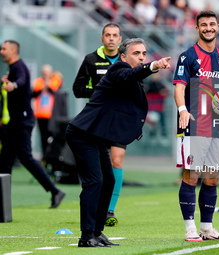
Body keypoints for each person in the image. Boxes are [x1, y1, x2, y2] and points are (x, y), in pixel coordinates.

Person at [66, 38, 171, 247]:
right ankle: (86, 236)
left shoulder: (131, 77)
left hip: (97, 137)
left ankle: (97, 232)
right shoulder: (118, 69)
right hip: (82, 134)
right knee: (94, 182)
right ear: (123, 56)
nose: (141, 57)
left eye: (144, 54)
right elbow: (130, 74)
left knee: (109, 181)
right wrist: (152, 66)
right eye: (136, 53)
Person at [173, 10, 219, 242]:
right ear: (197, 28)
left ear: (218, 27)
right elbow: (179, 87)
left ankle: (207, 228)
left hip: (217, 127)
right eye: (204, 25)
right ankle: (190, 228)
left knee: (212, 178)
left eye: (212, 24)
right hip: (193, 125)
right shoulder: (188, 56)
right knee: (191, 176)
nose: (208, 28)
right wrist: (182, 110)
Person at [0, 40, 65, 209]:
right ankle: (3, 202)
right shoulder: (14, 68)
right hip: (15, 121)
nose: (1, 51)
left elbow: (21, 81)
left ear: (13, 50)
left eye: (4, 48)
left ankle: (54, 190)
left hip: (22, 121)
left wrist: (12, 85)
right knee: (5, 161)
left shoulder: (19, 67)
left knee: (25, 158)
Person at [73, 23, 124, 227]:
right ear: (102, 38)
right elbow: (77, 89)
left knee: (117, 160)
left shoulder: (125, 59)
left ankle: (110, 209)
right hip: (97, 121)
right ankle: (97, 209)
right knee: (100, 169)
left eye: (115, 35)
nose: (111, 38)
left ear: (120, 39)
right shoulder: (91, 60)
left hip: (119, 120)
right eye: (107, 35)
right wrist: (99, 93)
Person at [32, 64, 62, 156]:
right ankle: (44, 156)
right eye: (44, 73)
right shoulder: (38, 81)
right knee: (43, 136)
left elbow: (56, 90)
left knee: (53, 136)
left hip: (52, 114)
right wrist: (43, 87)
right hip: (41, 114)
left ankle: (52, 156)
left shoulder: (55, 80)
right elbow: (34, 93)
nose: (45, 74)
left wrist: (47, 84)